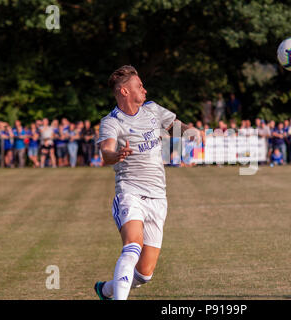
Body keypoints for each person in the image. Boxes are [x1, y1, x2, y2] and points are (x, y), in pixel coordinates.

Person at [94, 65, 197, 300]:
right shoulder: (112, 122)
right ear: (124, 92)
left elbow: (179, 128)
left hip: (158, 197)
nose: (145, 90)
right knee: (132, 246)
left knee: (144, 274)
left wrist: (193, 133)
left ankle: (106, 290)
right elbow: (106, 152)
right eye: (139, 86)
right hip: (130, 192)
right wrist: (116, 154)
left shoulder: (153, 110)